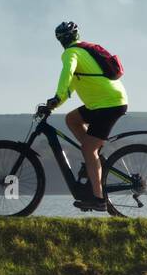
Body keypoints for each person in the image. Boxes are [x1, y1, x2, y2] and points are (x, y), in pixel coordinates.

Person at [42, 21, 128, 210]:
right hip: (107, 102)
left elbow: (67, 74)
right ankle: (94, 157)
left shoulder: (70, 53)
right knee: (71, 119)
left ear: (61, 41)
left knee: (88, 149)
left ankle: (98, 200)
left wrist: (56, 98)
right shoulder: (85, 51)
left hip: (108, 105)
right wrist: (56, 103)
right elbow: (71, 85)